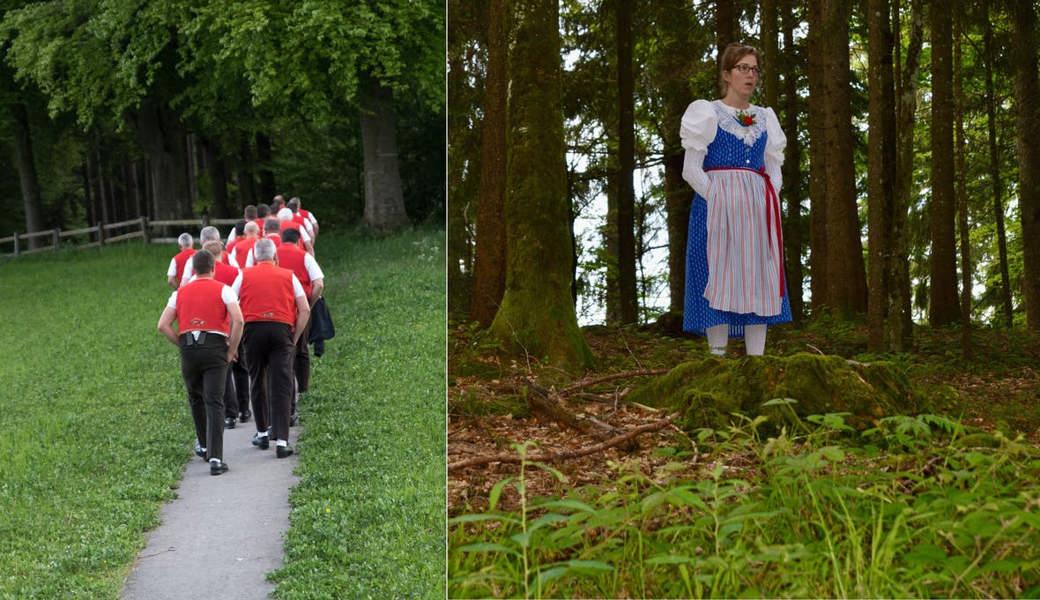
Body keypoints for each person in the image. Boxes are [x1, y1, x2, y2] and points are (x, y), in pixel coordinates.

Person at [680, 42, 790, 357]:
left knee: (758, 277)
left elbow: (773, 167)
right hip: (715, 211)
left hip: (758, 213)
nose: (750, 75)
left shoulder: (765, 118)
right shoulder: (708, 112)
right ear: (727, 74)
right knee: (717, 276)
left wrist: (767, 197)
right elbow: (691, 169)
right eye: (743, 68)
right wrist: (720, 199)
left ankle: (757, 363)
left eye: (754, 69)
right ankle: (717, 363)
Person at [157, 250, 244, 475]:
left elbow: (163, 325)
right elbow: (238, 319)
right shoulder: (223, 289)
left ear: (194, 270)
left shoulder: (180, 293)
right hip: (215, 346)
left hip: (189, 346)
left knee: (196, 398)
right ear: (213, 268)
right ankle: (216, 458)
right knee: (214, 401)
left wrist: (182, 343)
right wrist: (231, 349)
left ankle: (204, 445)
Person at [232, 238, 310, 458]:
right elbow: (305, 309)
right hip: (281, 329)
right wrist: (295, 337)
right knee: (282, 383)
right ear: (276, 257)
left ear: (255, 257)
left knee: (257, 380)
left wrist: (233, 340)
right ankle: (282, 441)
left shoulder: (243, 275)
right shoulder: (289, 275)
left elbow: (231, 305)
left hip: (253, 330)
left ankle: (262, 432)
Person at [277, 228, 324, 424]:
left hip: (278, 306)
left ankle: (280, 391)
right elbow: (319, 284)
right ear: (298, 241)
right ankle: (302, 389)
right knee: (301, 348)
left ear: (281, 240)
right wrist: (310, 304)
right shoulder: (304, 256)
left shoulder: (273, 254)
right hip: (299, 307)